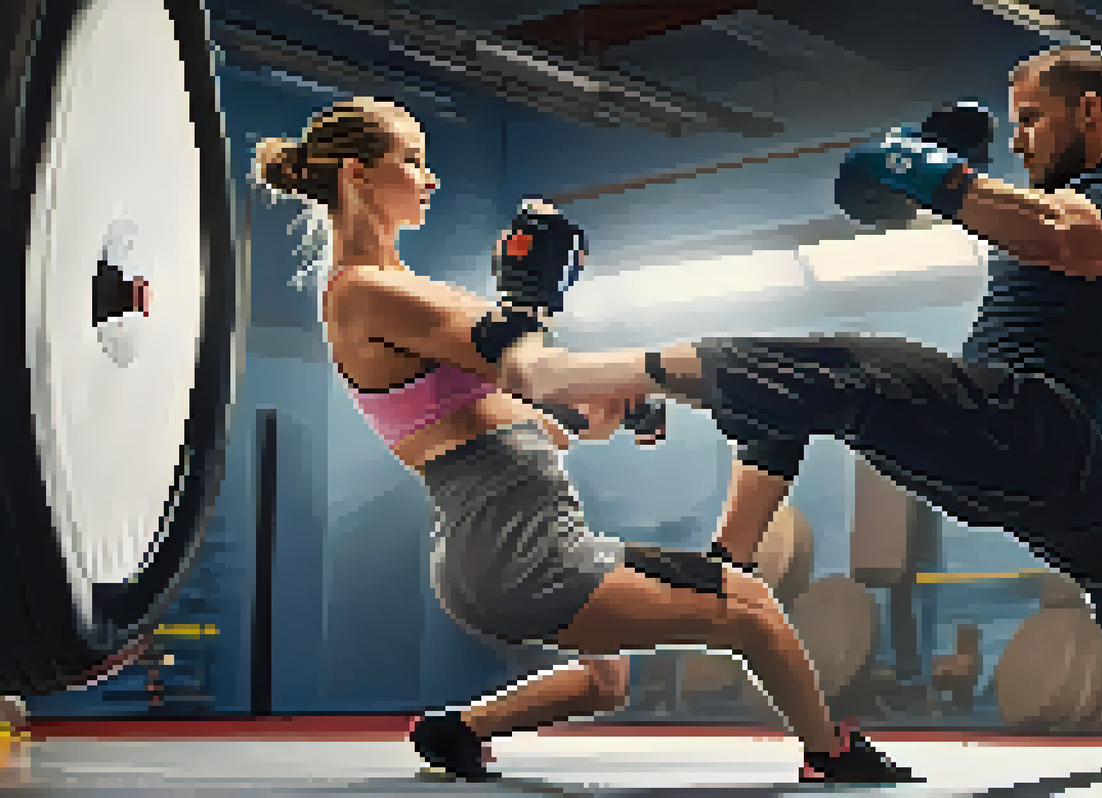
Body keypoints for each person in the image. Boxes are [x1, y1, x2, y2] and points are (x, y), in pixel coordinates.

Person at [492, 44, 1102, 768]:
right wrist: (950, 184)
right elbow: (1030, 220)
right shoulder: (1044, 201)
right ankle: (730, 564)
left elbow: (1069, 239)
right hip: (1031, 459)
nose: (1021, 138)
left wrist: (933, 172)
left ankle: (573, 375)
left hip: (1037, 423)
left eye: (1032, 119)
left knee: (839, 369)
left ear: (1089, 110)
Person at [250, 95, 918, 785]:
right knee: (749, 607)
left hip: (508, 544)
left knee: (606, 682)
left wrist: (617, 411)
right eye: (412, 161)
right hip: (520, 553)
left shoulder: (396, 294)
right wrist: (549, 315)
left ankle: (455, 731)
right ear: (357, 176)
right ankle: (829, 753)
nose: (430, 178)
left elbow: (536, 417)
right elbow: (527, 361)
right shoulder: (366, 291)